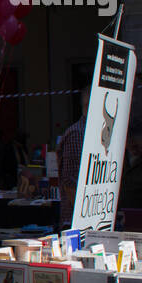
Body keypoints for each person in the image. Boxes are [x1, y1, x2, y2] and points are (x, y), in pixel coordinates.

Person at [56, 84, 90, 227]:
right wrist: (85, 218)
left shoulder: (91, 133)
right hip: (77, 222)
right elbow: (70, 183)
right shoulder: (78, 134)